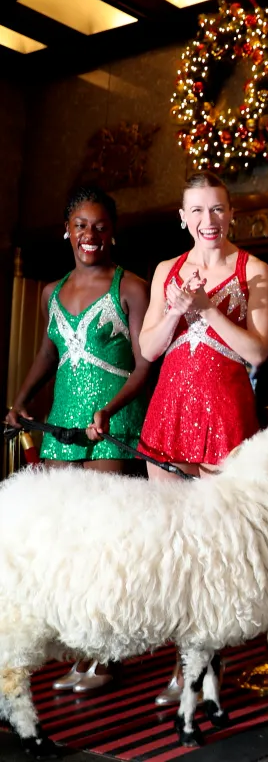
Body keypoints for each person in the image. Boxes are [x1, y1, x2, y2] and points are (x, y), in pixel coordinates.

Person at [6, 185, 151, 694]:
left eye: (101, 226)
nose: (91, 235)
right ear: (66, 230)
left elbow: (145, 364)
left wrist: (110, 409)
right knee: (67, 543)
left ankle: (108, 655)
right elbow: (48, 356)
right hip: (64, 424)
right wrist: (21, 401)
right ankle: (80, 650)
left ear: (114, 231)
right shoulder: (50, 291)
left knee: (104, 542)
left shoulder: (131, 287)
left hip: (113, 423)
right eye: (81, 226)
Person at [137, 171, 268, 704]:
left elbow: (258, 352)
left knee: (217, 550)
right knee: (174, 546)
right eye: (197, 211)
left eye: (217, 210)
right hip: (169, 415)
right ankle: (182, 667)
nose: (208, 221)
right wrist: (175, 307)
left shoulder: (254, 270)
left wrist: (209, 308)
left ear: (231, 214)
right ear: (182, 218)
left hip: (226, 417)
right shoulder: (165, 270)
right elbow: (149, 349)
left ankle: (210, 664)